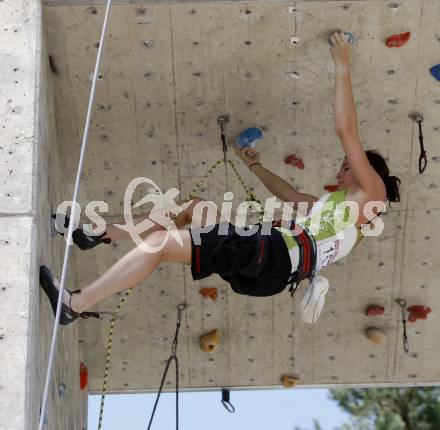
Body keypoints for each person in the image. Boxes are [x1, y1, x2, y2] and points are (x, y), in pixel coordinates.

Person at [40, 31, 401, 325]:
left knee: (160, 245)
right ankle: (95, 234)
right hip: (270, 264)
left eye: (346, 166)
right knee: (192, 210)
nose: (339, 171)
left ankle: (76, 302)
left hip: (273, 255)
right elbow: (289, 194)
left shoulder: (371, 194)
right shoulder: (340, 209)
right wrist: (254, 166)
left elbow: (346, 129)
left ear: (367, 170)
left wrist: (341, 65)